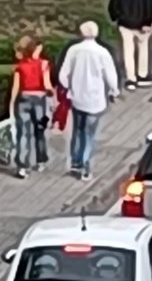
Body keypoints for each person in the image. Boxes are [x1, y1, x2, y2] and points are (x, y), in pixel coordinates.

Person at [57, 21, 119, 180]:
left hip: (77, 97)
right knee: (89, 134)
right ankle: (85, 165)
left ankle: (75, 162)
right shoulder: (102, 52)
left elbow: (63, 74)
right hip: (95, 99)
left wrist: (68, 88)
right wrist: (114, 90)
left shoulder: (74, 50)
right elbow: (110, 75)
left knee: (77, 130)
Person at [107, 0, 152, 91]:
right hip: (141, 23)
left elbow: (113, 2)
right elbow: (149, 5)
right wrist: (148, 22)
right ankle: (142, 75)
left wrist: (115, 16)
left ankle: (131, 78)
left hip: (125, 22)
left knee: (128, 50)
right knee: (143, 48)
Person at [9, 36, 53, 178]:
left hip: (23, 99)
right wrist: (52, 96)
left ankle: (22, 167)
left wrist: (11, 104)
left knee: (23, 133)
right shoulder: (44, 64)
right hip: (40, 100)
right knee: (40, 130)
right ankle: (41, 161)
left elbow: (15, 88)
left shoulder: (19, 66)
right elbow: (47, 86)